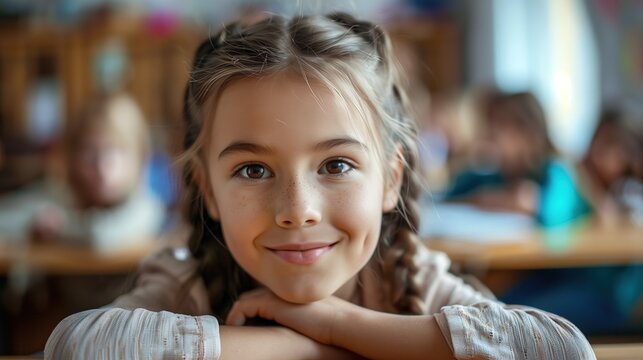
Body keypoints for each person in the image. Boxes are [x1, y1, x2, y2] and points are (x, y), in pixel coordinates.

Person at [45, 13, 595, 359]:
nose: (298, 211)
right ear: (206, 190)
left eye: (335, 165)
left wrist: (338, 323)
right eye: (253, 170)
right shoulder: (186, 280)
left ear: (391, 179)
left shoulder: (413, 279)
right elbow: (74, 347)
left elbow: (561, 350)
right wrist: (292, 347)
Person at [0, 93, 166, 251]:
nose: (102, 168)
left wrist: (62, 228)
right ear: (71, 156)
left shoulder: (147, 209)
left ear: (139, 155)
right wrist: (33, 223)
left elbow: (99, 237)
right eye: (89, 153)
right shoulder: (62, 197)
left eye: (116, 151)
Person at [444, 91, 589, 227]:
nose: (490, 134)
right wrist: (496, 200)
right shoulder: (486, 177)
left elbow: (553, 215)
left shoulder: (555, 172)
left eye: (501, 126)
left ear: (528, 134)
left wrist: (530, 203)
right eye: (489, 125)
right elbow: (443, 202)